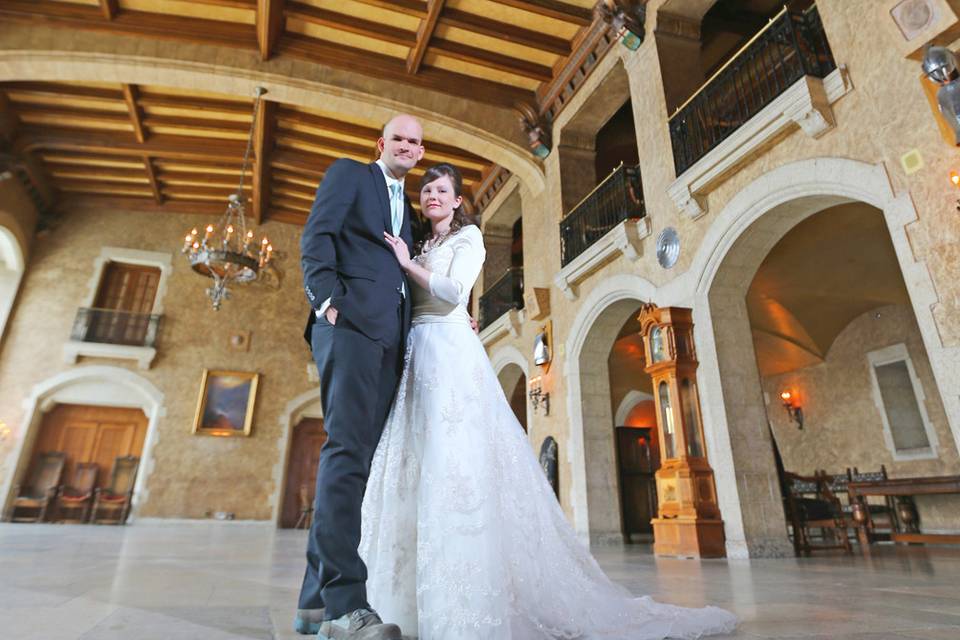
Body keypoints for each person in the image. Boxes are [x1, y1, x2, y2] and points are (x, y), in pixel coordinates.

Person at [363, 163, 739, 640]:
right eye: (428, 190)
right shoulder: (423, 244)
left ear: (458, 201)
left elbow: (455, 291)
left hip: (448, 355)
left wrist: (406, 264)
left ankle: (464, 604)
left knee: (456, 464)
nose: (433, 196)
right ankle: (407, 600)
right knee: (418, 463)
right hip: (419, 353)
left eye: (442, 190)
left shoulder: (469, 239)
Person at [297, 114, 425, 640]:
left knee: (360, 463)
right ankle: (346, 608)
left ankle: (313, 606)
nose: (407, 146)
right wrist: (328, 302)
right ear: (381, 143)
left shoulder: (412, 213)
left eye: (416, 142)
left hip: (392, 340)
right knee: (347, 453)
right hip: (348, 326)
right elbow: (317, 235)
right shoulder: (350, 174)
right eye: (399, 137)